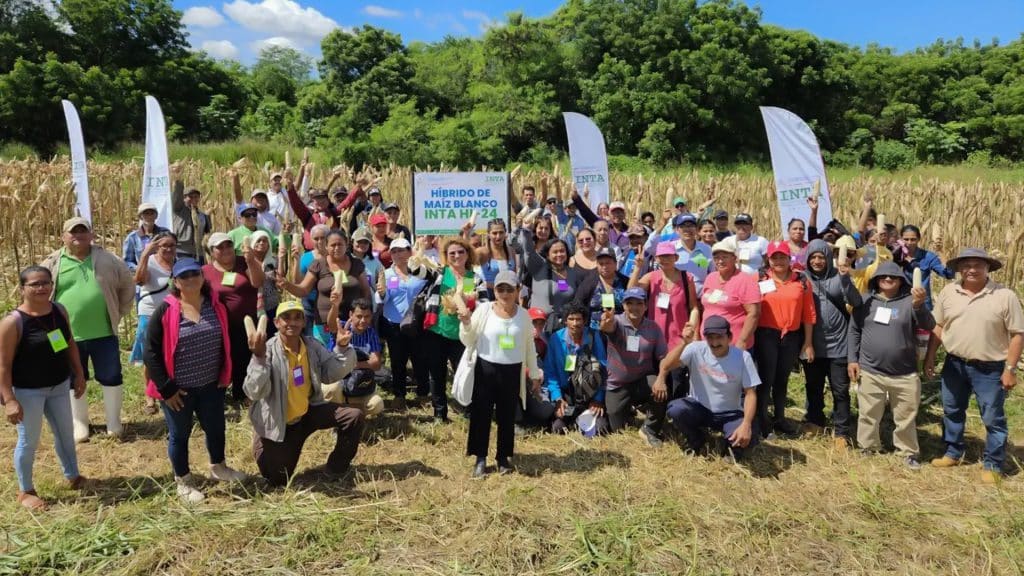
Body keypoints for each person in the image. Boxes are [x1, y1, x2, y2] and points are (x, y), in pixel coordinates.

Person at [144, 258, 246, 503]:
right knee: (179, 434)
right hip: (178, 390)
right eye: (184, 276)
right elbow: (150, 352)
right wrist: (167, 389)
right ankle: (183, 479)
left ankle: (218, 466)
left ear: (202, 278)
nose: (190, 279)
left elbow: (226, 342)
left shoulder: (215, 305)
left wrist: (225, 373)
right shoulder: (166, 310)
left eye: (194, 274)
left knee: (216, 427)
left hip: (211, 384)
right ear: (176, 282)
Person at [924, 248, 1024, 484]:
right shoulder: (949, 292)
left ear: (988, 268)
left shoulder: (1004, 295)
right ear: (959, 269)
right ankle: (953, 452)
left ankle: (993, 463)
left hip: (990, 368)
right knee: (952, 410)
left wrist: (1010, 370)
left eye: (978, 265)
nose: (971, 270)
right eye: (966, 265)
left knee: (992, 417)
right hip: (954, 364)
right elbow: (938, 327)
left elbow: (1017, 335)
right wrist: (930, 358)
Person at [244, 300, 364, 487]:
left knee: (353, 416)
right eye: (286, 318)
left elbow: (330, 373)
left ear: (303, 322)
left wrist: (341, 348)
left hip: (308, 412)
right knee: (279, 481)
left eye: (297, 317)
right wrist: (259, 358)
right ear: (276, 323)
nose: (292, 322)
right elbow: (253, 391)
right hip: (281, 421)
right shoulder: (267, 350)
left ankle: (336, 469)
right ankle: (263, 437)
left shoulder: (311, 346)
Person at [0, 266, 87, 510]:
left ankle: (73, 475)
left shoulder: (59, 310)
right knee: (29, 440)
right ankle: (25, 490)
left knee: (65, 433)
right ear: (22, 288)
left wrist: (79, 373)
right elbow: (3, 366)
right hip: (28, 391)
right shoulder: (12, 323)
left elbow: (69, 343)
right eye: (35, 284)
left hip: (59, 385)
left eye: (46, 283)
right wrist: (9, 400)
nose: (41, 288)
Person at [41, 217, 134, 442]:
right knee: (71, 377)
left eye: (83, 231)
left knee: (111, 375)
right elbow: (35, 292)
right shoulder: (52, 263)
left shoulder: (109, 259)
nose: (78, 236)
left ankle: (113, 423)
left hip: (103, 331)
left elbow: (127, 286)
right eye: (73, 232)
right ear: (63, 236)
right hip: (60, 335)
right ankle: (80, 424)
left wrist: (117, 313)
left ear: (91, 235)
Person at [849, 261, 934, 469]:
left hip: (904, 373)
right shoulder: (866, 301)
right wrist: (852, 359)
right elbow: (854, 331)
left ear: (901, 281)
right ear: (876, 280)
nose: (888, 279)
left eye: (893, 277)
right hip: (871, 370)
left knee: (905, 416)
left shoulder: (910, 301)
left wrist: (919, 305)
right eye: (883, 276)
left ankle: (907, 452)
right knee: (868, 413)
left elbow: (929, 325)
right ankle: (868, 446)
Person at [458, 271, 542, 477]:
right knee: (481, 415)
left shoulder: (523, 315)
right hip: (486, 368)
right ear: (494, 290)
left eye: (509, 289)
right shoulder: (484, 310)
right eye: (500, 289)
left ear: (517, 290)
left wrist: (534, 375)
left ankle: (503, 457)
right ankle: (480, 458)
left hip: (512, 370)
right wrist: (467, 323)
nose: (505, 294)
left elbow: (529, 347)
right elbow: (468, 340)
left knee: (506, 416)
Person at [661, 315, 760, 461]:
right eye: (710, 337)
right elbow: (666, 365)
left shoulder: (742, 357)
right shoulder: (695, 349)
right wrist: (684, 343)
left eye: (719, 337)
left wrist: (746, 424)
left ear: (730, 337)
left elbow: (750, 394)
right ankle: (697, 439)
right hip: (699, 407)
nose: (714, 342)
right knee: (675, 409)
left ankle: (731, 448)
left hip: (730, 413)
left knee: (749, 437)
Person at [415, 237, 488, 422]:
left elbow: (484, 305)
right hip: (437, 331)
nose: (456, 256)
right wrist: (420, 251)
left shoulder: (474, 278)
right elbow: (416, 270)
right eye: (452, 253)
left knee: (464, 373)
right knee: (437, 373)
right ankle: (440, 413)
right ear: (446, 256)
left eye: (460, 252)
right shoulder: (440, 273)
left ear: (468, 254)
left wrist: (469, 302)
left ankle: (469, 410)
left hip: (462, 335)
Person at [801, 239, 862, 448]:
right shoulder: (802, 278)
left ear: (828, 259)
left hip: (839, 345)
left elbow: (857, 302)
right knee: (813, 387)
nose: (817, 261)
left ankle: (842, 431)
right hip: (813, 346)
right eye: (813, 257)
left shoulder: (838, 277)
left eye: (821, 257)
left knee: (839, 390)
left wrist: (846, 280)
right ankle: (815, 421)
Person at [629, 242, 699, 398]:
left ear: (676, 257)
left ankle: (677, 415)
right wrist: (638, 268)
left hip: (679, 339)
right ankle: (660, 415)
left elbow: (694, 307)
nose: (664, 260)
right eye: (661, 257)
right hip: (655, 339)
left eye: (668, 256)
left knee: (678, 382)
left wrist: (692, 329)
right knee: (658, 382)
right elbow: (631, 292)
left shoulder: (686, 278)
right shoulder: (651, 277)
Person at [599, 288, 668, 444]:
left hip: (643, 380)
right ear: (623, 305)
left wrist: (661, 379)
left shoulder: (654, 328)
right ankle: (627, 411)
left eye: (639, 303)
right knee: (618, 429)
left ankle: (649, 429)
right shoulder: (615, 320)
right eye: (630, 303)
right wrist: (605, 323)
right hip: (618, 384)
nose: (634, 307)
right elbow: (607, 327)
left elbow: (663, 357)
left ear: (646, 306)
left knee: (659, 388)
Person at [202, 233, 265, 404]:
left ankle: (243, 392)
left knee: (246, 356)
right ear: (211, 251)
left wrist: (251, 260)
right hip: (222, 323)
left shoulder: (242, 261)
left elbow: (258, 282)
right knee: (227, 357)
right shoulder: (206, 271)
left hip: (249, 320)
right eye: (219, 247)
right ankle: (222, 392)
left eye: (228, 245)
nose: (225, 250)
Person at [279, 229, 370, 346]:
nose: (336, 248)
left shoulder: (356, 264)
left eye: (340, 244)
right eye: (333, 245)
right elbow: (303, 290)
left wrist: (363, 315)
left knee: (350, 357)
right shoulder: (318, 264)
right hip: (324, 323)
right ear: (326, 246)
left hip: (352, 322)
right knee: (325, 358)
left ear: (347, 244)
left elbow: (365, 291)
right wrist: (287, 284)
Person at [378, 238, 430, 410]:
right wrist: (382, 293)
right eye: (394, 251)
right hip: (395, 325)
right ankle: (399, 395)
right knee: (397, 362)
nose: (398, 254)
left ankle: (423, 394)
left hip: (417, 324)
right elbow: (381, 299)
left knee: (420, 360)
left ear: (410, 251)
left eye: (401, 250)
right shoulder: (386, 275)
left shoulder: (421, 271)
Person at [543, 301, 608, 434]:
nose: (575, 323)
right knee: (558, 429)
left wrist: (598, 399)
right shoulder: (556, 338)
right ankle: (572, 421)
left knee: (601, 429)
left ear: (584, 321)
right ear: (565, 321)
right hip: (566, 395)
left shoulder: (594, 337)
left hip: (590, 394)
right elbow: (550, 371)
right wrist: (557, 398)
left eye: (578, 319)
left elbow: (603, 369)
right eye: (571, 319)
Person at [132, 231, 177, 415]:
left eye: (171, 245)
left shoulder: (179, 263)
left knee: (169, 352)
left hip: (172, 313)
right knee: (150, 355)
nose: (167, 249)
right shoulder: (149, 262)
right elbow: (140, 280)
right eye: (163, 245)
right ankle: (149, 396)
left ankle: (166, 388)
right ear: (156, 246)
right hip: (150, 313)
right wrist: (144, 254)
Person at [322, 298, 385, 417]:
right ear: (351, 315)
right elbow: (331, 324)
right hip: (339, 382)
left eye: (367, 316)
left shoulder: (371, 333)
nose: (363, 320)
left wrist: (351, 364)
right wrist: (335, 305)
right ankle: (336, 416)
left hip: (359, 385)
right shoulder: (341, 327)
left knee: (377, 404)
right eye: (359, 316)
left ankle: (352, 414)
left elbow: (376, 363)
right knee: (329, 389)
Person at [701, 238, 760, 351]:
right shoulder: (710, 278)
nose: (720, 261)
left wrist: (742, 340)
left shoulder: (745, 280)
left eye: (724, 257)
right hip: (708, 343)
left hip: (733, 346)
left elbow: (754, 313)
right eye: (717, 257)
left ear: (734, 258)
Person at [643, 213, 711, 295]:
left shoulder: (706, 249)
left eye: (691, 225)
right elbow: (648, 247)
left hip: (700, 299)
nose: (687, 229)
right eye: (683, 226)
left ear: (696, 229)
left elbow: (712, 273)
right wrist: (661, 226)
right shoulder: (669, 247)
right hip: (676, 298)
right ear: (676, 230)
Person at [894, 224, 953, 310]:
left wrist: (940, 251)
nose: (909, 243)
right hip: (901, 303)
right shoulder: (895, 256)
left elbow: (948, 274)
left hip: (923, 305)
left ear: (919, 239)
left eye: (913, 239)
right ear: (901, 239)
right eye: (906, 239)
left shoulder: (928, 257)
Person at [575, 247, 629, 330]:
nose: (604, 266)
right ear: (597, 265)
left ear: (615, 264)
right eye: (601, 263)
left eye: (608, 263)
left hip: (620, 330)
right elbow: (578, 304)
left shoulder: (624, 281)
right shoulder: (589, 282)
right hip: (595, 332)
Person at [171, 166, 212, 262]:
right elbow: (177, 195)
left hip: (199, 254)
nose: (193, 199)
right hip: (182, 252)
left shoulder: (203, 216)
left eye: (196, 196)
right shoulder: (180, 210)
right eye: (190, 196)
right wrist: (178, 179)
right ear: (184, 198)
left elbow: (207, 235)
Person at [122, 203, 169, 272]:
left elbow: (172, 253)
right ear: (140, 217)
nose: (149, 217)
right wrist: (140, 268)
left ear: (156, 216)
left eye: (152, 213)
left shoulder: (165, 233)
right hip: (144, 276)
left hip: (164, 273)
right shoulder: (132, 237)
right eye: (146, 214)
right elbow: (127, 262)